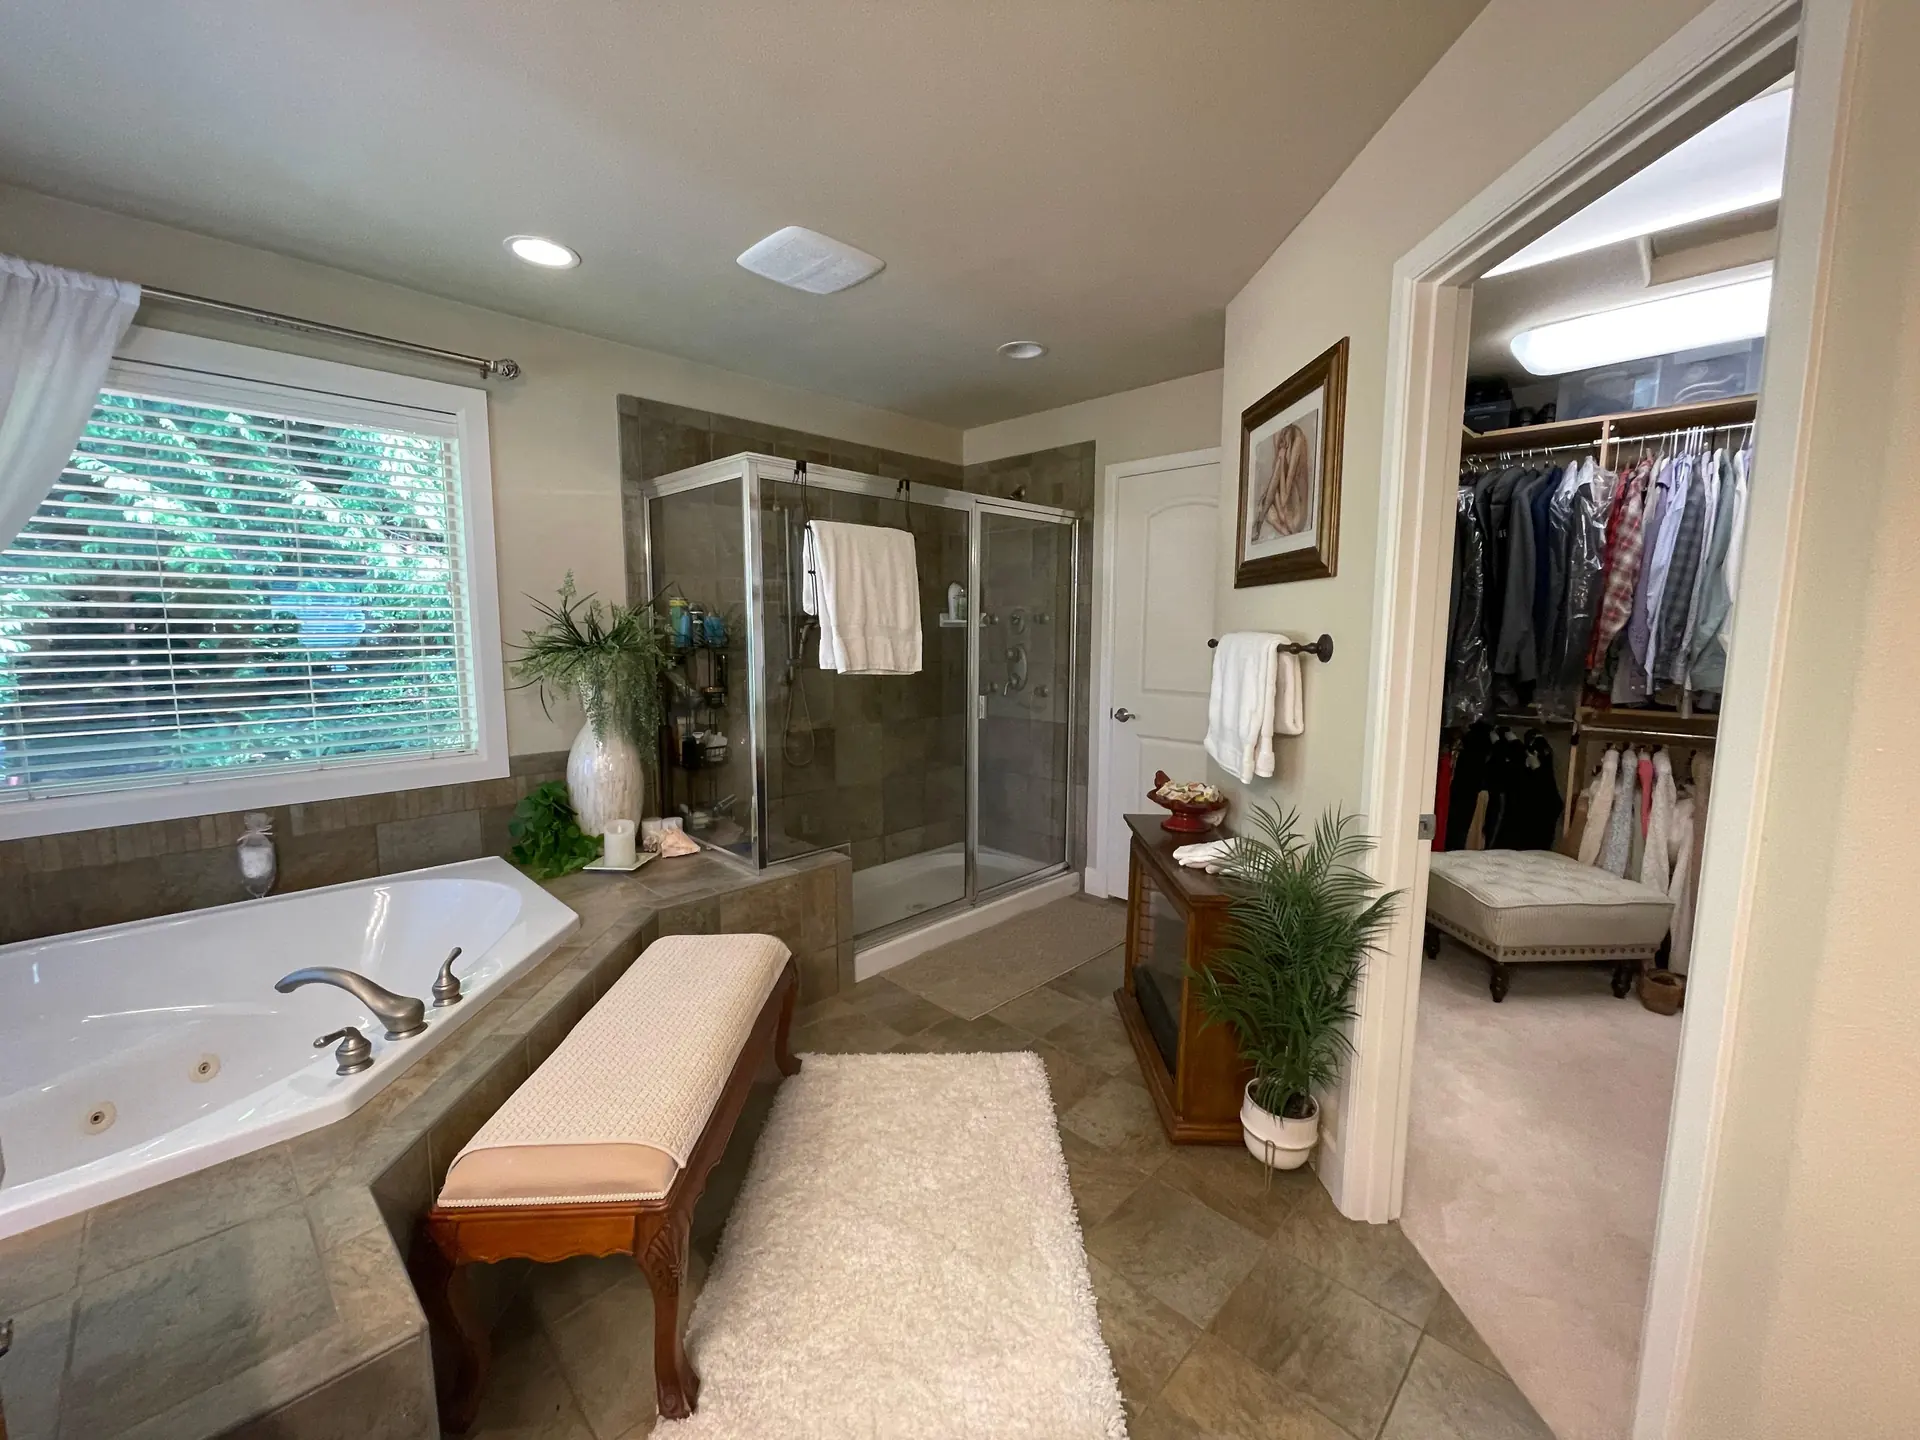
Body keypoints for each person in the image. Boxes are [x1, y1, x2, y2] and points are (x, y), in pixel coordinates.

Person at [1252, 421, 1313, 541]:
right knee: (1267, 499)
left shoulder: (1297, 440)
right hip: (1286, 511)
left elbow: (1284, 498)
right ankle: (1262, 521)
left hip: (1296, 516)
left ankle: (1287, 532)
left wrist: (1281, 459)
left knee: (1271, 498)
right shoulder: (1280, 434)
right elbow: (1275, 482)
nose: (1279, 443)